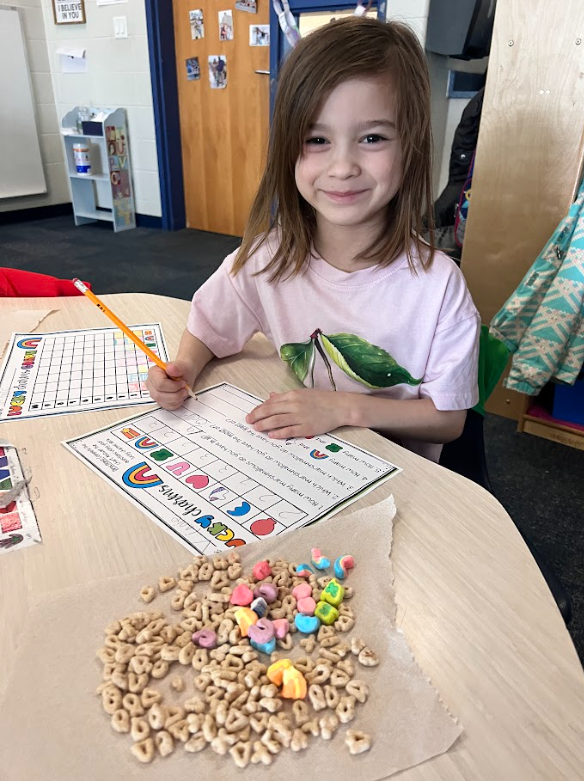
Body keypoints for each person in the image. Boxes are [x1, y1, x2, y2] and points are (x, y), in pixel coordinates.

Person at [147, 17, 480, 462]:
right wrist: (183, 368)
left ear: (412, 146)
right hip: (302, 461)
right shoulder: (269, 258)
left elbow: (448, 418)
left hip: (399, 474)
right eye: (317, 139)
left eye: (373, 138)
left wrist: (340, 408)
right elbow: (209, 326)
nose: (342, 167)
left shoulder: (438, 284)